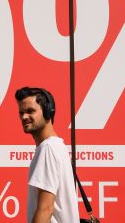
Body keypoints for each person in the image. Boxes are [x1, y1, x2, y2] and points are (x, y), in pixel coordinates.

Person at [15, 87, 80, 223]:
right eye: (21, 113)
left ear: (48, 112)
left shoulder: (48, 148)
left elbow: (46, 209)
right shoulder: (57, 146)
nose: (24, 117)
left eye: (30, 111)